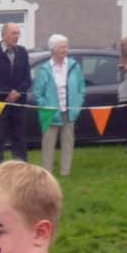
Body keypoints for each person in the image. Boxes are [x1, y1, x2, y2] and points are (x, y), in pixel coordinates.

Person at [30, 35, 84, 177]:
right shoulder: (45, 69)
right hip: (50, 112)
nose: (65, 50)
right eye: (62, 47)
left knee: (68, 143)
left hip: (69, 111)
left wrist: (77, 106)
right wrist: (45, 106)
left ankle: (65, 172)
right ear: (53, 49)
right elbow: (37, 92)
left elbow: (81, 88)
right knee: (48, 144)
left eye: (66, 46)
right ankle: (47, 174)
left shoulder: (73, 66)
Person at [0, 22, 32, 166]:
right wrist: (8, 92)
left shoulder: (23, 52)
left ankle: (21, 172)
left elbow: (27, 79)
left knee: (19, 140)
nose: (17, 36)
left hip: (18, 104)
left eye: (18, 33)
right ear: (4, 34)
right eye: (14, 33)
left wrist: (17, 92)